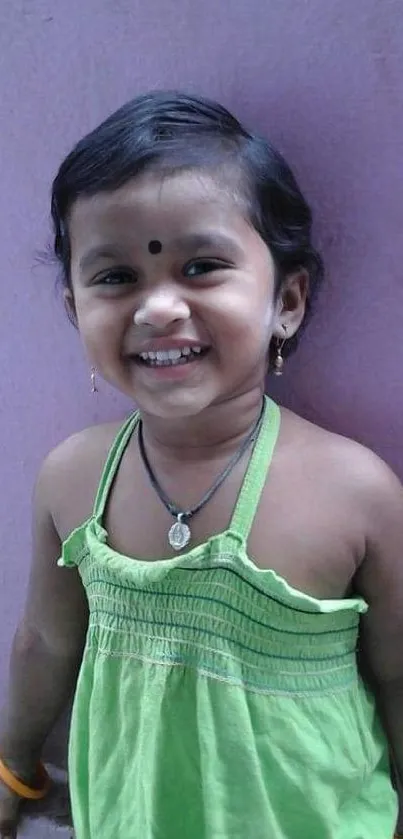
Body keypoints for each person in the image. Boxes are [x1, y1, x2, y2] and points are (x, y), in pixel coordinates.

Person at [0, 91, 402, 839]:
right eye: (115, 277)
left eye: (202, 266)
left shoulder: (356, 493)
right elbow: (46, 640)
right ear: (72, 309)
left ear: (285, 300)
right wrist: (13, 765)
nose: (157, 307)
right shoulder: (70, 478)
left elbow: (399, 675)